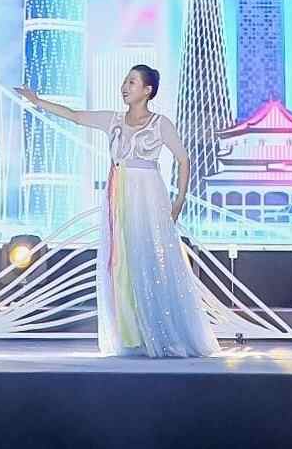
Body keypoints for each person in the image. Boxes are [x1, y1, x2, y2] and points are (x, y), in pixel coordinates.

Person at [18, 64, 218, 358]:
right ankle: (132, 335)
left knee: (151, 260)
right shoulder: (113, 120)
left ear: (148, 90)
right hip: (119, 196)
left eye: (132, 82)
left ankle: (161, 332)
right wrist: (38, 101)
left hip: (148, 196)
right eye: (125, 81)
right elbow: (75, 116)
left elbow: (183, 160)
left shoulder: (160, 124)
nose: (125, 86)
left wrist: (178, 203)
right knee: (123, 263)